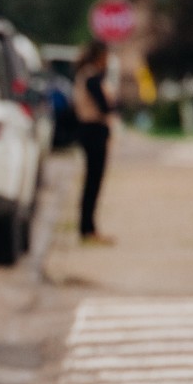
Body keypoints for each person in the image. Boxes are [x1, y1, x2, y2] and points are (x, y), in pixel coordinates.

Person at [71, 39, 118, 245]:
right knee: (93, 181)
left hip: (91, 130)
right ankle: (87, 228)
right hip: (93, 130)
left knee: (92, 181)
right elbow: (105, 106)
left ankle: (88, 226)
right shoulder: (91, 78)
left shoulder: (86, 75)